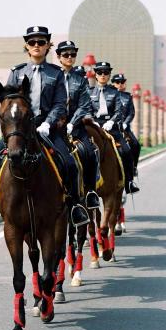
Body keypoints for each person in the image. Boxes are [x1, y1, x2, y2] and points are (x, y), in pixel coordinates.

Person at [0, 26, 89, 227]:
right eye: (32, 42)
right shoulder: (16, 72)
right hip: (19, 130)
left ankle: (75, 206)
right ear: (27, 45)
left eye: (41, 42)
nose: (37, 46)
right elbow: (7, 103)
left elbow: (60, 104)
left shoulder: (56, 73)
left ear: (47, 46)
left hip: (47, 129)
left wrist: (47, 123)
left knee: (70, 163)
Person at [56, 40, 100, 209]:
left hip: (75, 127)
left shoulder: (80, 80)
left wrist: (72, 124)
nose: (69, 57)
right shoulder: (52, 76)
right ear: (59, 57)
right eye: (65, 54)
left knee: (90, 152)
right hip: (54, 126)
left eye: (72, 54)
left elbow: (84, 105)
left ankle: (90, 193)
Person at [89, 62, 139, 194]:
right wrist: (93, 122)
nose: (103, 75)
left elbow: (119, 112)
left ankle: (129, 182)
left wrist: (111, 122)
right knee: (83, 151)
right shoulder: (89, 92)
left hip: (112, 127)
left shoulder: (115, 92)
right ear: (96, 75)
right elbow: (86, 110)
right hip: (94, 127)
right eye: (100, 73)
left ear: (109, 75)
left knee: (127, 151)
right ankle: (84, 186)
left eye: (106, 73)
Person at [111, 73, 141, 176]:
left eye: (122, 82)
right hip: (110, 126)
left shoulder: (128, 97)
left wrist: (125, 123)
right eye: (117, 82)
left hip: (124, 128)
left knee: (136, 145)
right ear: (113, 83)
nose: (120, 84)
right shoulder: (108, 94)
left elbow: (131, 113)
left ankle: (133, 168)